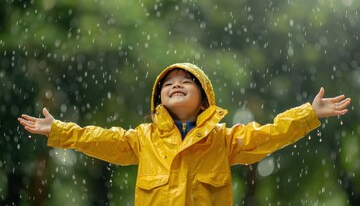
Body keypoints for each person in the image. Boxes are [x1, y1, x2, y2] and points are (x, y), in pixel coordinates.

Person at [18, 62, 351, 206]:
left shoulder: (223, 140)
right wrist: (60, 131)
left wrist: (309, 114)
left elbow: (269, 134)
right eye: (168, 83)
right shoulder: (142, 138)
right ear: (159, 96)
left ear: (203, 96)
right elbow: (100, 138)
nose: (175, 84)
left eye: (186, 81)